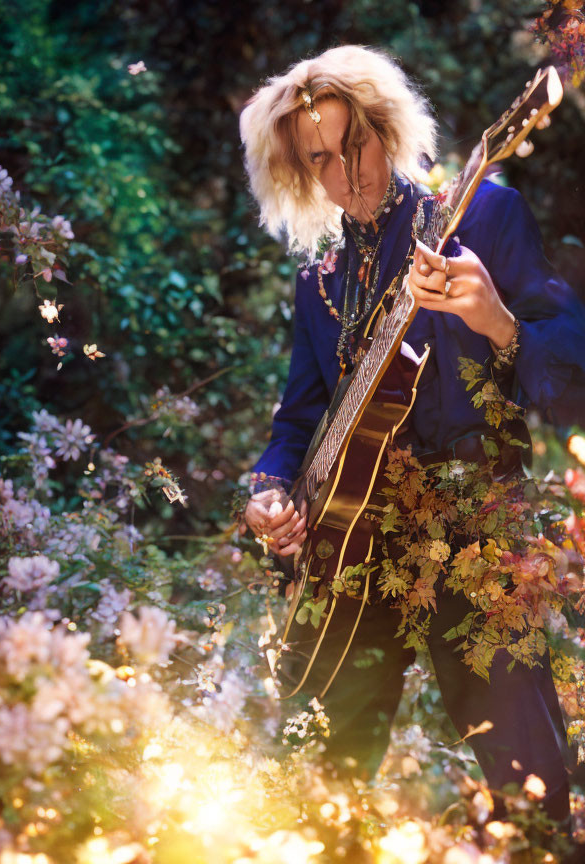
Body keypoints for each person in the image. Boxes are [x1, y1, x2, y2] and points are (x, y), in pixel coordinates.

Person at [238, 44, 585, 846]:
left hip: (476, 536)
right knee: (323, 772)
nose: (345, 172)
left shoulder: (482, 216)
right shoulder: (319, 278)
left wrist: (496, 321)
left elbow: (570, 376)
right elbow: (299, 420)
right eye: (318, 158)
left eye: (352, 143)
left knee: (526, 777)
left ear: (385, 130)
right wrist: (269, 489)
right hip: (354, 548)